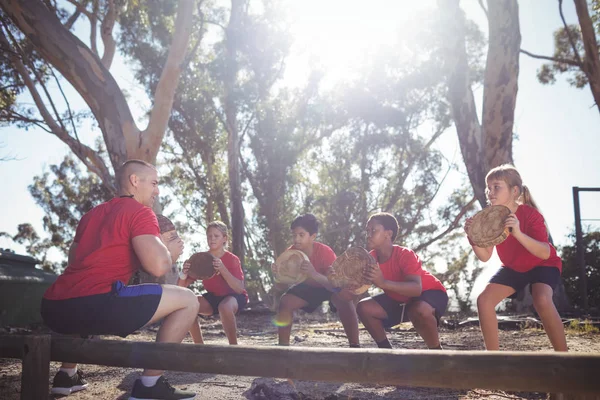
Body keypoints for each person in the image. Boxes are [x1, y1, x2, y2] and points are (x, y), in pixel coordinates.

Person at [41, 159, 199, 399]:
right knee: (189, 300)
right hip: (100, 304)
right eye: (154, 183)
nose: (157, 190)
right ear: (135, 181)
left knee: (82, 292)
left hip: (54, 306)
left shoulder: (89, 215)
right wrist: (170, 255)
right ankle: (150, 384)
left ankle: (66, 374)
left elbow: (76, 263)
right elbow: (158, 266)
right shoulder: (141, 211)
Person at [465, 164, 567, 351]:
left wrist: (517, 232)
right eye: (489, 188)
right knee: (484, 301)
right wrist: (473, 238)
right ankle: (492, 359)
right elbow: (485, 256)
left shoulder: (530, 214)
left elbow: (544, 252)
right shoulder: (491, 219)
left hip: (543, 264)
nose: (490, 192)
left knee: (542, 299)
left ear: (514, 191)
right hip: (514, 268)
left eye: (497, 187)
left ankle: (564, 358)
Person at [356, 212, 448, 349]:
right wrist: (337, 278)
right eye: (367, 230)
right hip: (400, 300)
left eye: (373, 230)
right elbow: (352, 289)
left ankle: (437, 353)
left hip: (429, 293)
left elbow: (416, 289)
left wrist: (383, 283)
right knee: (364, 307)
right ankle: (387, 354)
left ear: (388, 233)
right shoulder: (370, 259)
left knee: (418, 310)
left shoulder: (405, 254)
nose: (368, 234)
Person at [272, 214, 361, 347]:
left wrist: (313, 273)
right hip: (307, 288)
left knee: (345, 300)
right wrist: (277, 275)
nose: (296, 239)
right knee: (285, 302)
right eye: (294, 235)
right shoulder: (290, 253)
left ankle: (355, 346)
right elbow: (281, 286)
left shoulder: (325, 252)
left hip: (328, 285)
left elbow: (335, 284)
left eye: (301, 235)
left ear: (313, 236)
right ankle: (282, 347)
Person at [178, 221, 248, 345]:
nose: (212, 239)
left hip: (234, 297)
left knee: (225, 306)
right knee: (188, 304)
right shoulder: (202, 259)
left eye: (216, 236)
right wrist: (184, 273)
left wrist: (222, 269)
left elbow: (239, 289)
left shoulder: (232, 259)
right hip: (213, 297)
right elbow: (180, 288)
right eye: (209, 236)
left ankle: (234, 347)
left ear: (224, 238)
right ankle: (199, 347)